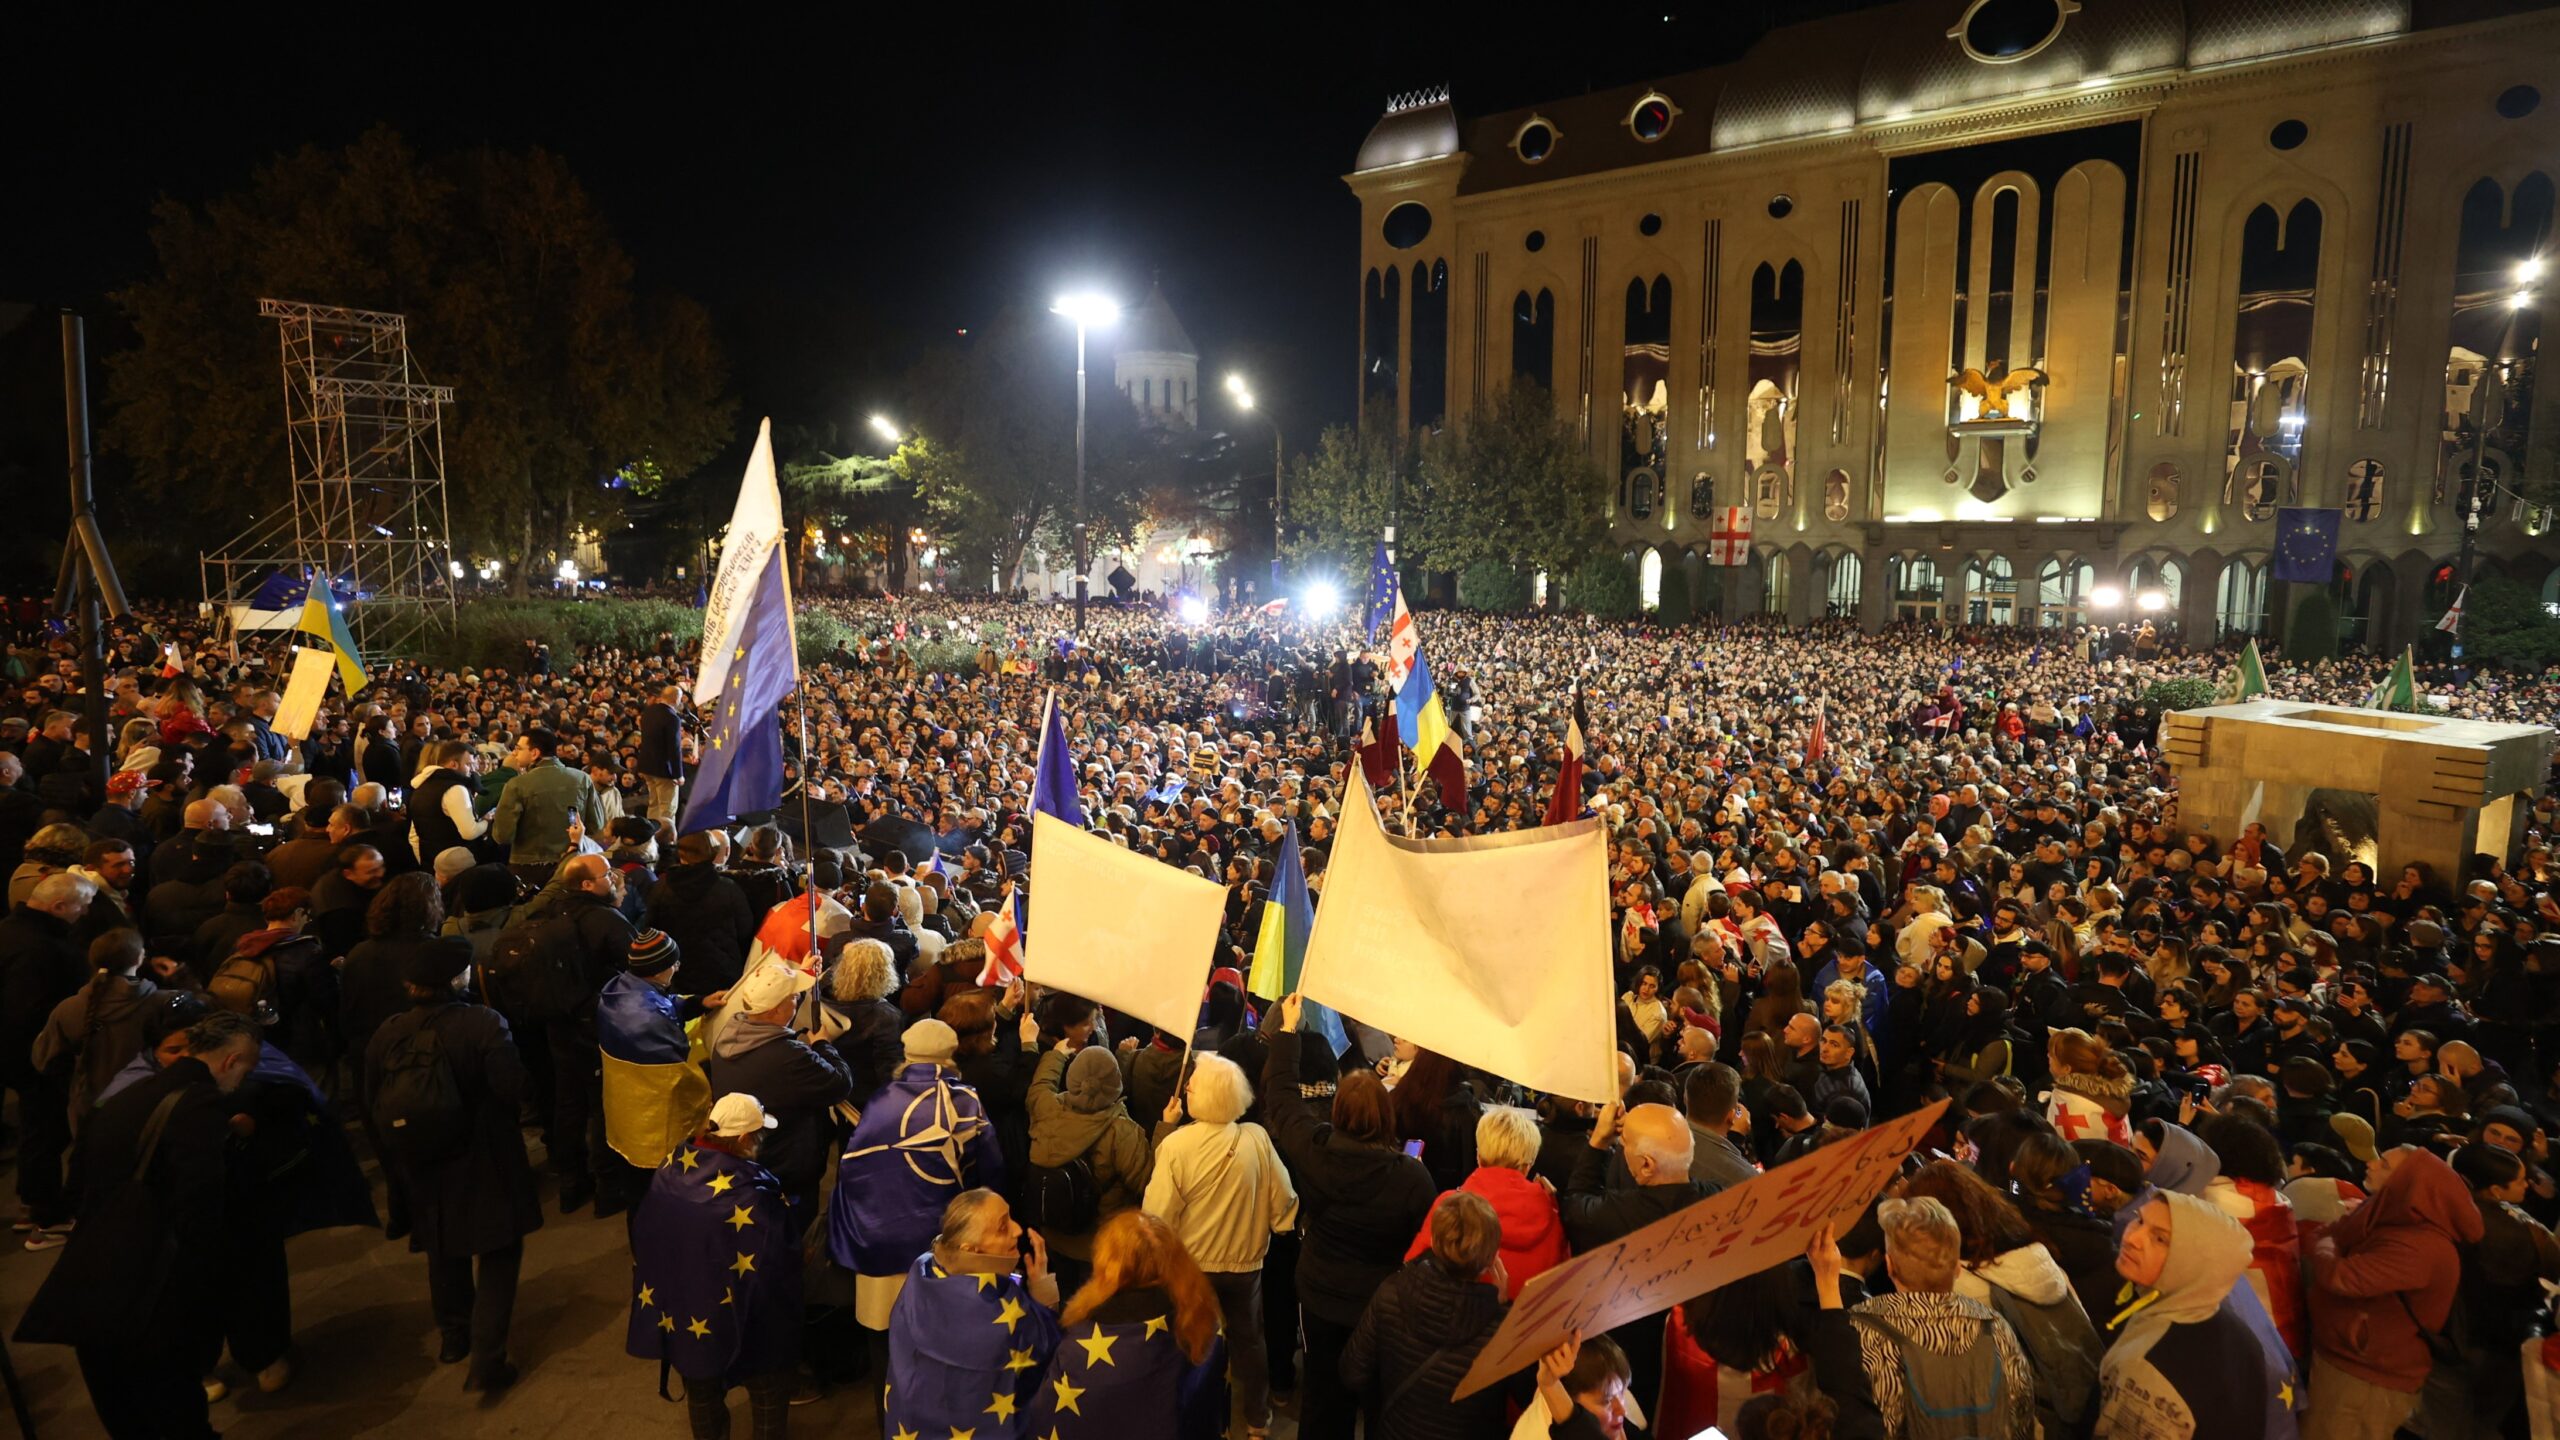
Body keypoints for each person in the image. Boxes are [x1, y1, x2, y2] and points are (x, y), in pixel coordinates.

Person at [15, 1011, 262, 1439]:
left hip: (89, 1284)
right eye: (247, 1069)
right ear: (230, 1061)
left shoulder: (121, 1097)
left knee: (125, 1417)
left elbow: (74, 1189)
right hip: (150, 1293)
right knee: (174, 1414)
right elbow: (199, 1213)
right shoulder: (200, 1106)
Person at [364, 933, 542, 1393]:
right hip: (485, 1157)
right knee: (500, 1252)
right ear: (457, 978)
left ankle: (453, 1336)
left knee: (444, 1249)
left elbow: (372, 1103)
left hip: (422, 1164)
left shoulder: (388, 1034)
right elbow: (512, 1088)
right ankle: (487, 1358)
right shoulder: (482, 1023)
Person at [1261, 1000, 1437, 1440]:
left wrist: (1287, 1032)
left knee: (1323, 1394)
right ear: (1386, 1115)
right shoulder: (1412, 1177)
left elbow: (1281, 1098)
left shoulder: (1315, 1150)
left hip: (1320, 1296)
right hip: (1382, 1305)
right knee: (1380, 1397)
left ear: (1337, 1112)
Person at [626, 1094, 803, 1440]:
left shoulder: (668, 1171)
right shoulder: (751, 1194)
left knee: (702, 1392)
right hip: (749, 1319)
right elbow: (777, 1263)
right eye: (758, 1135)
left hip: (688, 1315)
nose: (760, 1142)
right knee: (768, 1390)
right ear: (742, 1139)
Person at [1142, 1048, 1294, 1436]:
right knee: (1250, 1342)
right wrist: (1278, 1225)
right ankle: (1258, 1420)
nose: (1186, 1087)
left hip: (1192, 1270)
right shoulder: (1257, 1138)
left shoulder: (1176, 1147)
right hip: (1246, 1268)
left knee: (1193, 1343)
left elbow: (1156, 1215)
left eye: (1191, 1085)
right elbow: (1286, 1202)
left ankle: (1198, 1418)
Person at [831, 1017, 1004, 1336]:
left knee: (883, 1331)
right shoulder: (965, 1101)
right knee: (938, 1336)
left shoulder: (882, 1099)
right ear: (950, 1056)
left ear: (907, 1055)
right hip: (942, 1240)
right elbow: (989, 1172)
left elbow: (854, 1165)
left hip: (879, 1234)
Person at [1805, 1202, 2035, 1440]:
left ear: (1890, 1267)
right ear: (1956, 1268)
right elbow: (2022, 1414)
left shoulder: (1861, 1330)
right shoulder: (1996, 1327)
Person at [2302, 1145, 2481, 1440]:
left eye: (2384, 1164)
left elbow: (2339, 1275)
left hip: (2365, 1380)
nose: (2370, 1163)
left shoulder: (2421, 1246)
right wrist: (2329, 1244)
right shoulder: (2385, 1215)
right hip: (2344, 1360)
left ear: (2411, 1186)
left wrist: (2328, 1247)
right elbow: (2322, 1236)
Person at [1024, 1209, 1231, 1439]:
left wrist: (1044, 1303)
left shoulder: (1080, 1351)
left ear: (1107, 1267)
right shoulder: (1205, 1319)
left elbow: (1047, 1417)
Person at [1561, 1100, 1707, 1416]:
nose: (1621, 1150)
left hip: (1630, 1358)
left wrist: (1598, 1143)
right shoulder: (1721, 1203)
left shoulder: (1612, 1216)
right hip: (1697, 1357)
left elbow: (1575, 1204)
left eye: (1624, 1146)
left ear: (1646, 1165)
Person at [881, 1188, 1063, 1440]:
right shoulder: (1001, 1318)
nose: (1018, 1230)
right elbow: (1049, 1348)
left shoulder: (919, 1274)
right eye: (1003, 1227)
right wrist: (1043, 1292)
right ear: (973, 1249)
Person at [2098, 1189, 2278, 1440]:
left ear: (2195, 1261)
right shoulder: (2236, 1329)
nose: (2132, 1238)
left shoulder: (2146, 1369)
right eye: (2140, 1219)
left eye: (2160, 1239)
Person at [1344, 1188, 1518, 1439]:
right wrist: (1499, 1307)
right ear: (1491, 1259)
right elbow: (1527, 1395)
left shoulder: (1391, 1292)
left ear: (1434, 1244)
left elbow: (1352, 1372)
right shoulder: (1502, 1328)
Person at [705, 957, 852, 1238]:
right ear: (775, 1010)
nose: (797, 1002)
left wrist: (799, 973)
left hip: (749, 1158)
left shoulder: (729, 1034)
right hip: (788, 1164)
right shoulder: (790, 1057)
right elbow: (840, 1083)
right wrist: (823, 1044)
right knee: (790, 1234)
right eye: (794, 998)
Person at [2, 870, 96, 1247]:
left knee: (35, 1129)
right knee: (47, 1132)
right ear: (60, 906)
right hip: (37, 1057)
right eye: (83, 906)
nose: (85, 914)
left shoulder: (13, 930)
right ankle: (48, 1218)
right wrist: (55, 1056)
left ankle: (32, 1204)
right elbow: (30, 1012)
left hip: (19, 1057)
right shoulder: (42, 949)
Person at [1026, 1026, 1155, 1293]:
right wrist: (1166, 1128)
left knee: (1060, 1304)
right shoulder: (1122, 1131)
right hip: (1099, 1247)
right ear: (1115, 1085)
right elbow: (1150, 1186)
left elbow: (1040, 1087)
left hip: (1053, 1234)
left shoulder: (1047, 1109)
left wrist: (1056, 1055)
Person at [1400, 1104, 1569, 1299]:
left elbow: (1412, 1266)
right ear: (1527, 1167)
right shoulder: (1551, 1214)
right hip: (1519, 1323)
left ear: (1479, 1157)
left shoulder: (1449, 1205)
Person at [598, 928, 719, 1184]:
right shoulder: (648, 1020)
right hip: (652, 1122)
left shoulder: (620, 987)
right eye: (673, 963)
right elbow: (678, 1076)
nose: (677, 967)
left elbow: (665, 1003)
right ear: (656, 970)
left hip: (625, 1112)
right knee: (654, 1190)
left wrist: (700, 1003)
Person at [490, 727, 605, 884]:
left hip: (528, 868)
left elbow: (503, 835)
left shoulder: (517, 784)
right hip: (572, 863)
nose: (514, 753)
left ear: (535, 753)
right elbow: (596, 825)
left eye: (518, 748)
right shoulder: (582, 779)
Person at [638, 684, 686, 823]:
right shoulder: (672, 718)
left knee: (654, 804)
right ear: (676, 698)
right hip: (665, 771)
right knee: (667, 809)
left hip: (647, 766)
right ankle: (666, 839)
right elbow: (674, 748)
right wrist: (678, 774)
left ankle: (651, 835)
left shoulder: (648, 712)